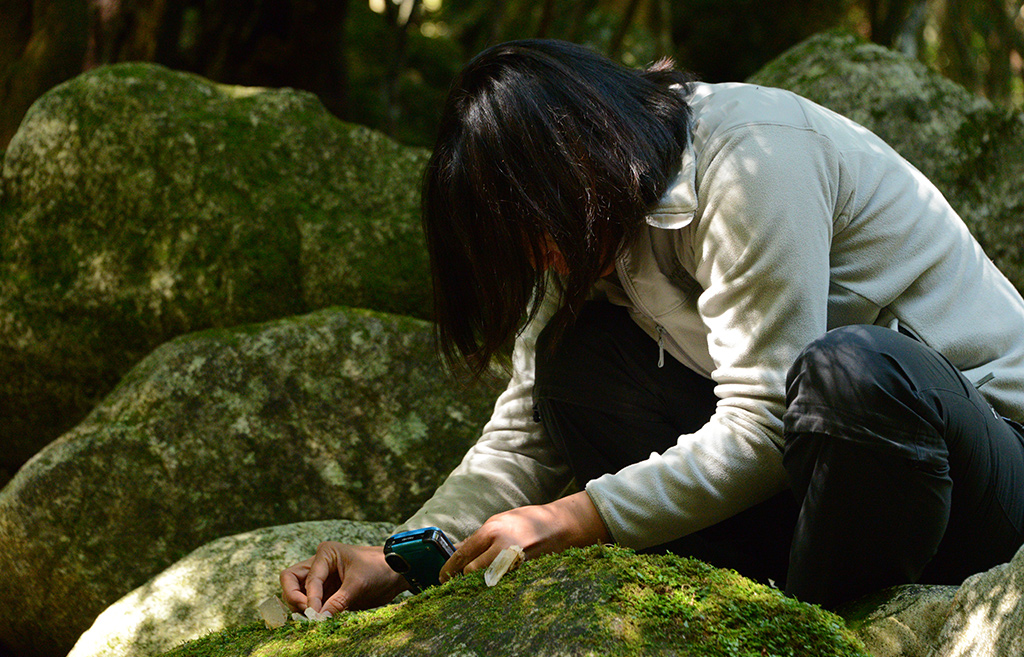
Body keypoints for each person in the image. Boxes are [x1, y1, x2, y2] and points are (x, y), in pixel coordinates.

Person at [280, 39, 1024, 614]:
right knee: (572, 368)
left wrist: (573, 518)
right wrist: (407, 554)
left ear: (579, 162)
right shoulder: (583, 230)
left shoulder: (753, 154)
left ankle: (813, 625)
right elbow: (524, 433)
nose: (540, 259)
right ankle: (779, 607)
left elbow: (768, 415)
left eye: (534, 233)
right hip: (821, 496)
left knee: (850, 374)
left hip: (976, 470)